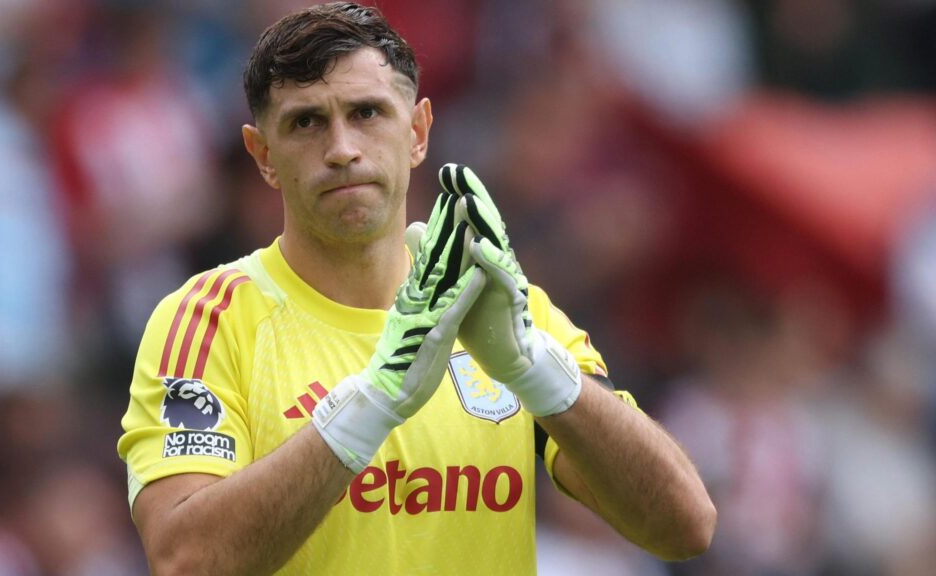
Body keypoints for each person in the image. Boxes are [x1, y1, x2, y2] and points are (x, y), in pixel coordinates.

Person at [117, 3, 716, 574]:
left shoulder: (503, 307)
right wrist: (372, 404)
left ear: (419, 131)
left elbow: (685, 527)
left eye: (368, 113)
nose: (343, 149)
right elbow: (184, 560)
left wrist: (535, 366)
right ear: (263, 155)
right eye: (306, 122)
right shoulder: (207, 321)